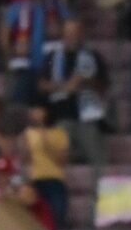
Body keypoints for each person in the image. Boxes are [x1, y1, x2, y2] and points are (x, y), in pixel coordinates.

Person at [41, 20, 109, 167]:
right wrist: (65, 86)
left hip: (88, 118)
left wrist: (84, 81)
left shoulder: (92, 56)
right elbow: (42, 84)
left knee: (100, 161)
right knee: (57, 159)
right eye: (68, 33)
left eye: (74, 33)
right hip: (62, 117)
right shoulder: (53, 57)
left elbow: (104, 85)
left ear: (81, 34)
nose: (71, 36)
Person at [22, 103, 70, 229]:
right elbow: (24, 159)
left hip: (55, 180)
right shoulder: (28, 133)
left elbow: (63, 161)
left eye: (39, 110)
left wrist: (47, 143)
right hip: (35, 180)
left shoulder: (59, 133)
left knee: (57, 215)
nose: (35, 113)